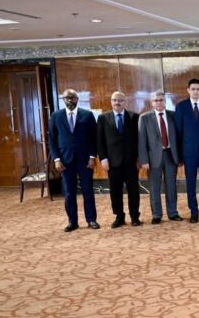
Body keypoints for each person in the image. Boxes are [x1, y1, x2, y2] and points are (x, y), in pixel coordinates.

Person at [49, 89, 98, 232]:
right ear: (63, 100)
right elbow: (52, 140)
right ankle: (72, 222)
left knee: (88, 191)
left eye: (72, 97)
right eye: (67, 98)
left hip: (85, 160)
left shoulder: (87, 115)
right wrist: (57, 159)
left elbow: (94, 138)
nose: (70, 100)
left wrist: (92, 157)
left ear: (77, 99)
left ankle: (91, 220)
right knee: (69, 193)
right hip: (65, 161)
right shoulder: (56, 116)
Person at [96, 91, 140, 228]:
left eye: (120, 100)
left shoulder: (134, 117)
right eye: (114, 100)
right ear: (111, 101)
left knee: (133, 190)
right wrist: (103, 158)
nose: (117, 102)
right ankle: (119, 216)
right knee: (115, 191)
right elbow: (99, 140)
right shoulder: (103, 118)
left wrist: (139, 158)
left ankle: (134, 216)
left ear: (125, 102)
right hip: (112, 162)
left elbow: (138, 140)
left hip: (131, 161)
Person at [138, 92, 182, 224]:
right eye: (156, 100)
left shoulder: (173, 115)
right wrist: (144, 160)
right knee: (154, 187)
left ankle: (173, 213)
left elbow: (179, 138)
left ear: (165, 101)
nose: (159, 102)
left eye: (161, 100)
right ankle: (156, 214)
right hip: (153, 158)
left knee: (171, 186)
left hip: (171, 155)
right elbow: (141, 140)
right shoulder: (144, 118)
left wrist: (180, 157)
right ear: (152, 102)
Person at [174, 78, 199, 223]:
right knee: (191, 184)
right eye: (193, 89)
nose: (195, 91)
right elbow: (178, 132)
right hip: (189, 153)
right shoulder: (181, 106)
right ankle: (194, 212)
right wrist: (179, 155)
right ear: (188, 90)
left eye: (198, 89)